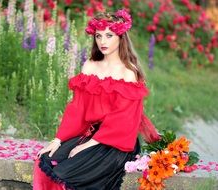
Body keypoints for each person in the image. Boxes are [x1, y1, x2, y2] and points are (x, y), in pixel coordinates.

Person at [32, 8, 161, 190]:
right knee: (46, 160)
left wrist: (86, 147)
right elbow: (77, 108)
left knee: (64, 174)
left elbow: (121, 120)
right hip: (90, 133)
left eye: (109, 35)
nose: (102, 41)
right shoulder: (90, 66)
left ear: (120, 37)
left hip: (115, 141)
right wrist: (59, 139)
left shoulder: (128, 72)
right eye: (98, 36)